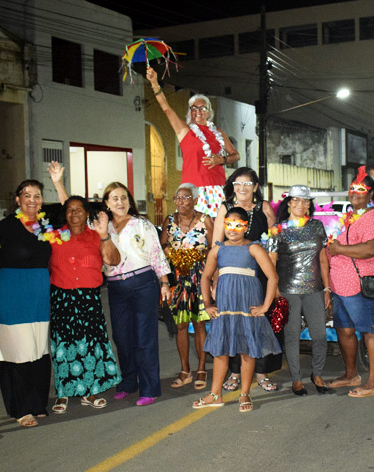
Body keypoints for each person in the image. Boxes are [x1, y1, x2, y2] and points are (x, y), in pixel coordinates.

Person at [195, 207, 280, 412]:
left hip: (246, 308)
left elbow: (272, 277)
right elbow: (205, 277)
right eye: (228, 224)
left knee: (247, 351)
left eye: (238, 225)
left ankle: (244, 394)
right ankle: (215, 394)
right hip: (224, 309)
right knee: (220, 351)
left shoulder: (254, 248)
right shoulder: (217, 249)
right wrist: (207, 304)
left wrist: (265, 306)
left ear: (246, 227)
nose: (232, 229)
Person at [48, 196, 123, 414]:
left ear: (86, 213)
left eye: (78, 210)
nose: (74, 214)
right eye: (69, 210)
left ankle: (89, 391)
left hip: (89, 298)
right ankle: (63, 391)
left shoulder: (96, 236)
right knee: (64, 346)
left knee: (90, 344)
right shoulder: (54, 236)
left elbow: (113, 260)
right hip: (62, 297)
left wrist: (104, 236)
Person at [326, 168, 374, 397]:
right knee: (344, 331)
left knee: (370, 331)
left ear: (370, 193)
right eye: (352, 188)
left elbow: (372, 249)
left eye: (361, 189)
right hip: (341, 286)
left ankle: (373, 383)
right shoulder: (348, 217)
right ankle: (350, 374)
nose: (355, 192)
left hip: (363, 285)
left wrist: (339, 249)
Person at [103, 182, 172, 406]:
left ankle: (150, 388)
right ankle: (128, 382)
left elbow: (156, 253)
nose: (120, 202)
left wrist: (164, 283)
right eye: (114, 198)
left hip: (143, 283)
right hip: (116, 287)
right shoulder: (103, 227)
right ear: (107, 203)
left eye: (124, 197)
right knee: (122, 337)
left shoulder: (141, 224)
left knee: (145, 337)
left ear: (129, 200)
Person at [0, 179, 53, 428]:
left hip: (39, 291)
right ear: (17, 199)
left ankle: (37, 402)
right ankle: (19, 407)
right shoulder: (4, 227)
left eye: (37, 195)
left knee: (39, 348)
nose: (32, 199)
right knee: (16, 349)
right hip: (13, 291)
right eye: (26, 195)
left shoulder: (45, 226)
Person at [212, 167, 277, 392]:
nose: (242, 188)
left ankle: (262, 372)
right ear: (232, 186)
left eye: (247, 184)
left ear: (255, 187)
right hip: (231, 272)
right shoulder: (225, 208)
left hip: (258, 272)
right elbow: (216, 245)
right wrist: (215, 279)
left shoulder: (264, 208)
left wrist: (273, 276)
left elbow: (274, 242)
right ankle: (235, 372)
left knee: (257, 321)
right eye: (237, 184)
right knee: (232, 322)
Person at [146, 66, 240, 217]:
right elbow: (166, 109)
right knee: (193, 232)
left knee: (217, 232)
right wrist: (154, 83)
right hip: (193, 189)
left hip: (216, 188)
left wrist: (221, 159)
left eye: (202, 108)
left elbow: (236, 155)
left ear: (209, 111)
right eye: (194, 108)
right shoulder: (185, 131)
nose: (198, 111)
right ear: (189, 111)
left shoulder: (218, 132)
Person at [267, 185, 331, 396]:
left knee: (320, 335)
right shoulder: (278, 229)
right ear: (289, 203)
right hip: (288, 290)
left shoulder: (317, 227)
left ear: (309, 205)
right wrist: (274, 290)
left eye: (305, 201)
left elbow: (322, 259)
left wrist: (327, 288)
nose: (300, 205)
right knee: (292, 334)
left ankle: (318, 373)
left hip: (315, 289)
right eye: (296, 200)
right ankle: (296, 379)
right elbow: (271, 263)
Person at [161, 183, 214, 390]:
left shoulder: (204, 219)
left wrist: (199, 256)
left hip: (200, 277)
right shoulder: (169, 220)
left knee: (199, 324)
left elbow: (213, 246)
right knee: (180, 325)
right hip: (178, 278)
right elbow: (162, 245)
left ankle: (201, 368)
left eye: (185, 197)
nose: (180, 202)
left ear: (195, 200)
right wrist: (172, 254)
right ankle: (185, 370)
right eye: (177, 198)